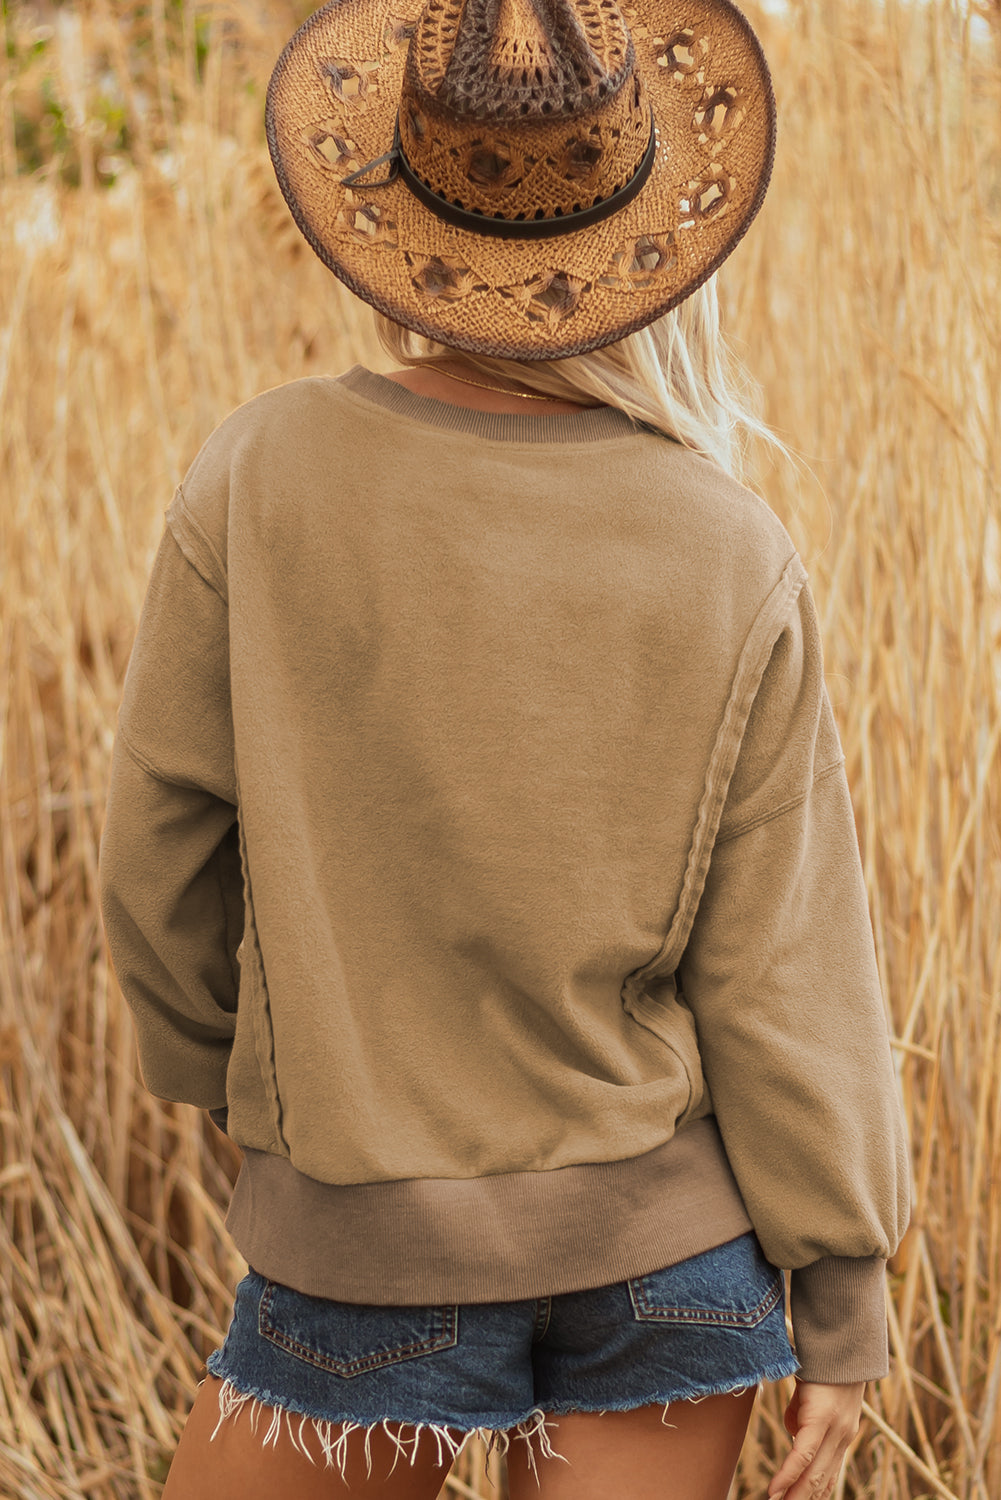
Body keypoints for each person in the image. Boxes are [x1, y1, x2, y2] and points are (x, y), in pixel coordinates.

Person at [97, 0, 910, 1496]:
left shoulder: (260, 474)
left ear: (400, 214)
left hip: (356, 1225)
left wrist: (249, 1085)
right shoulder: (729, 546)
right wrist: (841, 1295)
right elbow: (782, 968)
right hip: (671, 1256)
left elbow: (154, 859)